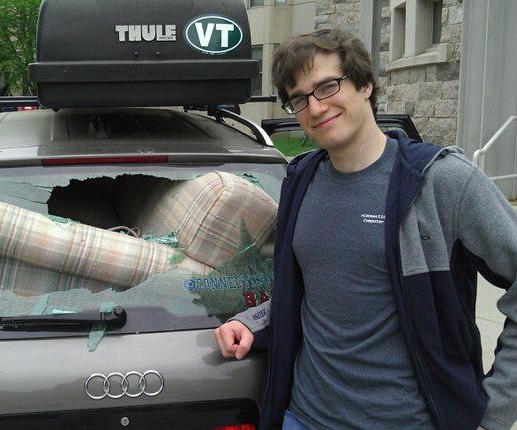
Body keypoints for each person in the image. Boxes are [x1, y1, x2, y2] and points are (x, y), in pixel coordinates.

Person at [214, 28, 516, 430]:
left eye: (327, 86)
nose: (316, 108)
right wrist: (251, 322)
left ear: (365, 84)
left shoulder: (440, 181)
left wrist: (494, 414)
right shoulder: (300, 180)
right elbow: (314, 294)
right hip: (304, 418)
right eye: (299, 98)